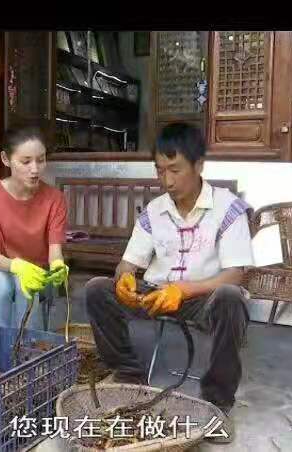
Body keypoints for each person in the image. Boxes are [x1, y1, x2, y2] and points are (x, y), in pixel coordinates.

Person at [85, 122, 254, 419]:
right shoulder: (154, 211)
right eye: (160, 170)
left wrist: (184, 290)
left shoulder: (228, 209)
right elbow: (129, 262)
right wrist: (125, 276)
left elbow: (235, 274)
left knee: (231, 298)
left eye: (175, 170)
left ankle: (217, 401)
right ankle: (128, 372)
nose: (167, 180)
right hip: (156, 294)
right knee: (97, 289)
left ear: (199, 165)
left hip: (204, 297)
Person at [0, 126, 69, 331]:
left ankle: (29, 347)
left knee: (26, 286)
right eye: (26, 162)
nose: (35, 169)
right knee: (1, 283)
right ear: (5, 159)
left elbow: (55, 251)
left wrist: (58, 265)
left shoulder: (55, 199)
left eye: (41, 160)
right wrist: (18, 267)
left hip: (37, 275)